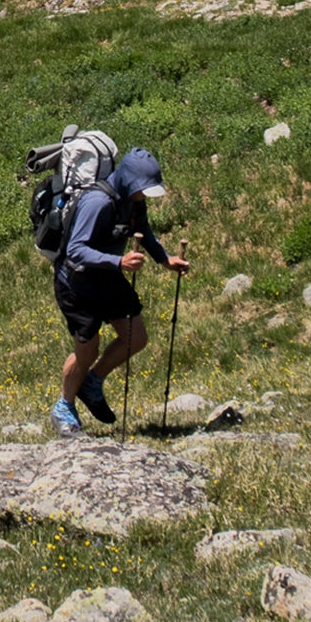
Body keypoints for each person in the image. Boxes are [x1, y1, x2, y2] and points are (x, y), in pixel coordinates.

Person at [51, 148, 189, 435]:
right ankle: (64, 407)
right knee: (87, 351)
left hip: (107, 277)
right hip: (76, 284)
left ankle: (91, 384)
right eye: (142, 189)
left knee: (135, 338)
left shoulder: (132, 200)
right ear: (128, 180)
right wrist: (119, 261)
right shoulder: (97, 202)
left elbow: (144, 231)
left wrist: (165, 260)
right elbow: (75, 251)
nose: (144, 196)